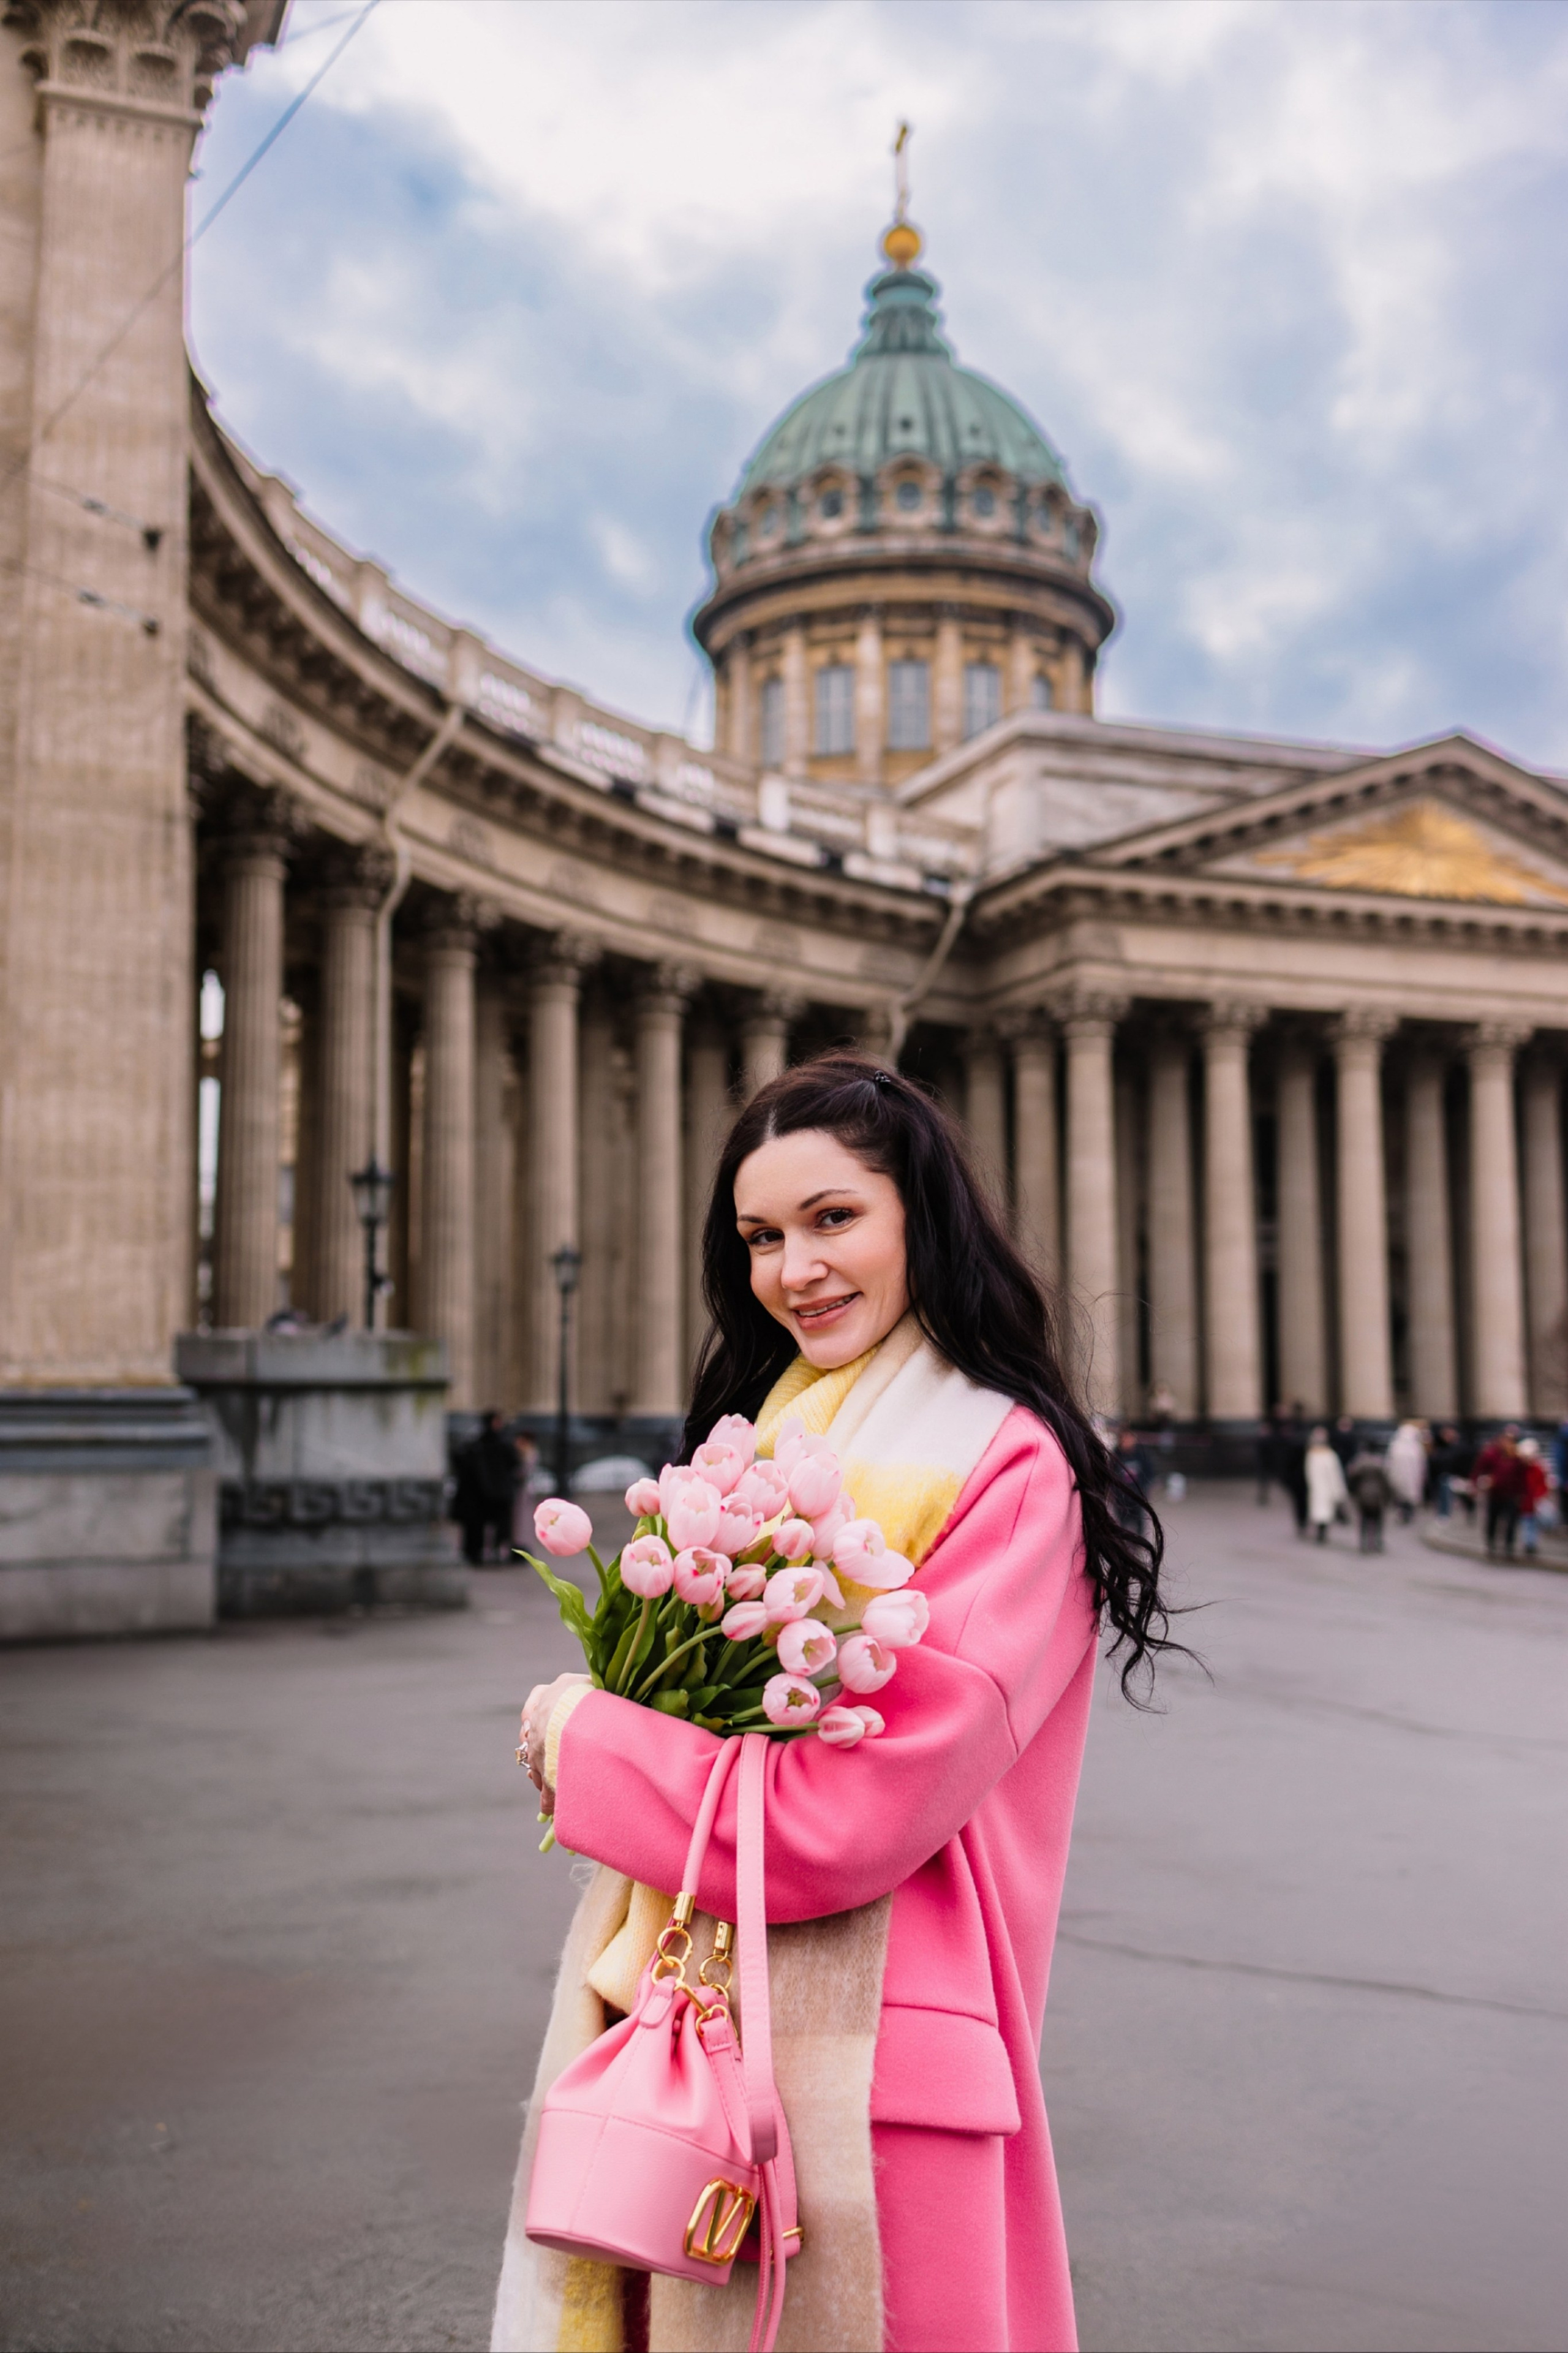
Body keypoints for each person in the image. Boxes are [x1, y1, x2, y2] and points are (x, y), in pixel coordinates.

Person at [502, 1054, 1176, 2353]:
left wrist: (586, 1738)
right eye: (759, 1236)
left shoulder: (1002, 1466)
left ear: (921, 1214)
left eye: (831, 1219)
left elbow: (849, 1819)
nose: (791, 1267)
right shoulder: (772, 1429)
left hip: (870, 2090)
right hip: (705, 2042)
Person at [456, 1408, 521, 1566]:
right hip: (491, 1494)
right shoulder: (493, 1443)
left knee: (490, 1526)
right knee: (492, 1526)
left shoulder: (480, 1443)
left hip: (488, 1493)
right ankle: (491, 1552)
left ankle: (487, 1552)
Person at [1475, 1425, 1522, 1558]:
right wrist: (1478, 1484)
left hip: (1512, 1494)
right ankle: (1491, 1544)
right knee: (1493, 1520)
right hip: (1495, 1494)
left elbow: (1521, 1475)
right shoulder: (1491, 1454)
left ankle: (1509, 1547)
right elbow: (1479, 1469)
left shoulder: (1516, 1457)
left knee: (1511, 1522)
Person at [1305, 1424, 1348, 1544]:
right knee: (1324, 1512)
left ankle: (1321, 1532)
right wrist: (1339, 1491)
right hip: (1325, 1489)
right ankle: (1322, 1533)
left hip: (1319, 1489)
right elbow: (1336, 1475)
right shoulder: (1328, 1455)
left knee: (1321, 1511)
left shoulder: (1312, 1455)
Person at [1346, 1443, 1392, 1554]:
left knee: (1364, 1519)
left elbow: (1352, 1479)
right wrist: (1388, 1497)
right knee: (1377, 1520)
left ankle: (1364, 1542)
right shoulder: (1381, 1463)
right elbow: (1387, 1482)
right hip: (1378, 1495)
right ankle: (1377, 1541)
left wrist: (1353, 1493)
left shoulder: (1359, 1462)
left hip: (1363, 1495)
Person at [1385, 1420, 1429, 1524]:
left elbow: (1388, 1463)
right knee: (1409, 1497)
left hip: (1398, 1477)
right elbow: (1422, 1464)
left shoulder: (1396, 1446)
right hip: (1412, 1478)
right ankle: (1407, 1514)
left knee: (1401, 1497)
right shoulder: (1416, 1447)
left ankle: (1404, 1514)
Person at [1515, 1437, 1548, 1558]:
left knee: (1533, 1525)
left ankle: (1531, 1544)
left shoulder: (1538, 1468)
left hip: (1534, 1502)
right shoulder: (1520, 1469)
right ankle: (1528, 1544)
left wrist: (1539, 1496)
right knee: (1527, 1524)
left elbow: (1542, 1485)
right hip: (1526, 1502)